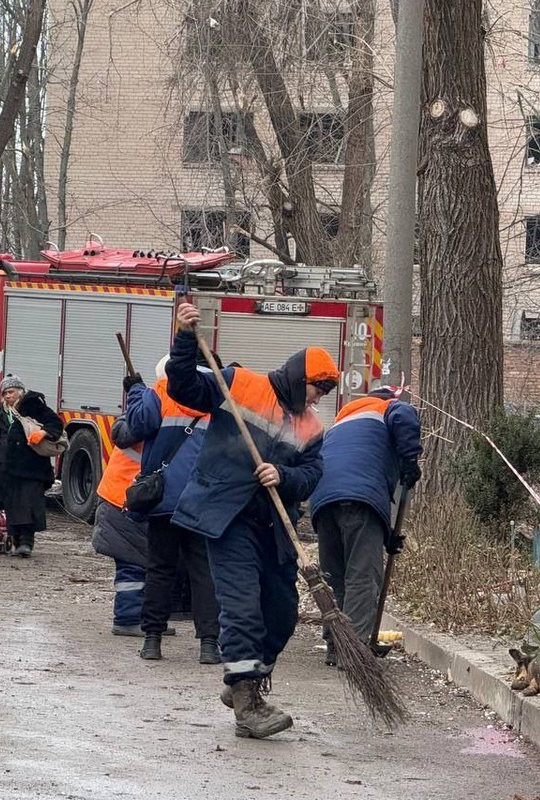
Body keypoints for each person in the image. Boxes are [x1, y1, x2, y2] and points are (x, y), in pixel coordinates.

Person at [167, 301, 334, 740]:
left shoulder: (311, 428)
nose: (320, 399)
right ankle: (247, 701)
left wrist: (285, 475)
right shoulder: (240, 383)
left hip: (271, 526)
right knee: (241, 608)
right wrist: (185, 338)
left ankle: (245, 678)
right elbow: (183, 387)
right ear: (301, 380)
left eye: (326, 392)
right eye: (318, 389)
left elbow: (313, 475)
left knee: (281, 612)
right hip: (225, 516)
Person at [310, 385, 422, 662]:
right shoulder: (389, 408)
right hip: (360, 500)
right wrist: (409, 459)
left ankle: (336, 645)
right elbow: (405, 416)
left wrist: (387, 536)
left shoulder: (341, 423)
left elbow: (357, 466)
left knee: (334, 576)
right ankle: (355, 649)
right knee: (361, 576)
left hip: (323, 501)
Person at [125, 354, 220, 664]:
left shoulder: (163, 388)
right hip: (203, 498)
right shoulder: (220, 392)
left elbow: (138, 425)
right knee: (204, 572)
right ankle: (209, 645)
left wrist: (136, 392)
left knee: (160, 569)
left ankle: (152, 640)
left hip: (164, 497)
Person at [0, 374, 63, 558]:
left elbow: (56, 423)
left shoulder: (34, 405)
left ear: (21, 391)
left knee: (28, 504)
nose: (8, 396)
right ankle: (15, 542)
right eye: (4, 393)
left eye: (11, 391)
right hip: (5, 465)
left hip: (31, 467)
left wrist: (44, 433)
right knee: (11, 505)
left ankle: (26, 543)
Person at [91, 415, 164, 637]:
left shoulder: (141, 415)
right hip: (128, 501)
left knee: (139, 564)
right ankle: (128, 618)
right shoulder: (163, 417)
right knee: (132, 566)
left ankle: (141, 617)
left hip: (121, 498)